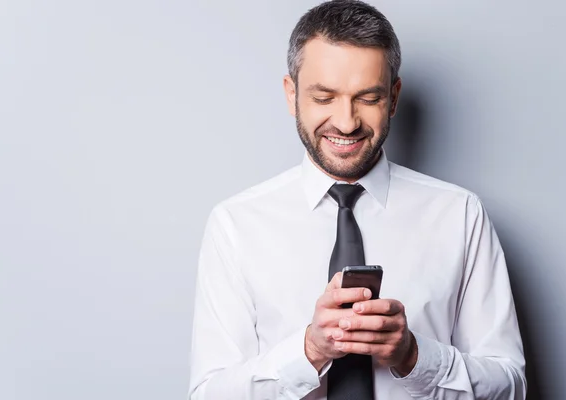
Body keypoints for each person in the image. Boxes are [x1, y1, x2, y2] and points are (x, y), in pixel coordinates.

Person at [188, 1, 526, 399]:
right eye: (324, 97)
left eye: (367, 98)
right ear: (291, 94)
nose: (346, 122)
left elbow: (511, 388)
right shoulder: (237, 224)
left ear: (394, 97)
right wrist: (310, 351)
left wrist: (414, 356)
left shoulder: (460, 215)